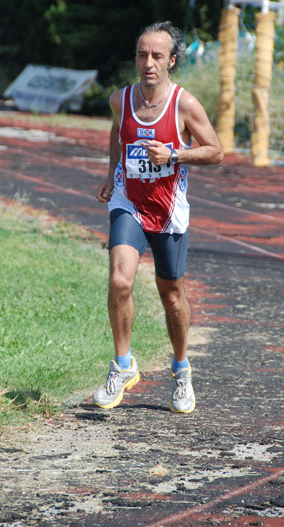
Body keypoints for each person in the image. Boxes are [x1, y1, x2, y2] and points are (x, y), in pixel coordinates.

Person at [94, 21, 223, 413]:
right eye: (141, 54)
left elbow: (215, 151)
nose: (147, 62)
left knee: (171, 296)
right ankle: (122, 365)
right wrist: (111, 172)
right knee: (120, 280)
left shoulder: (184, 104)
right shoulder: (121, 99)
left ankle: (181, 370)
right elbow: (119, 134)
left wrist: (175, 155)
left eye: (156, 56)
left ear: (171, 61)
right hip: (128, 202)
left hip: (168, 212)